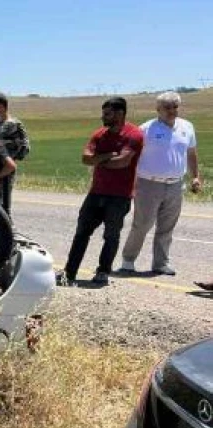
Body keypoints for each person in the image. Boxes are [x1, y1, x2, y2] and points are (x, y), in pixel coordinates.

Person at [57, 97, 143, 286]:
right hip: (96, 193)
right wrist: (105, 156)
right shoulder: (100, 134)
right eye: (103, 113)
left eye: (107, 113)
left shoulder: (134, 134)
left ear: (120, 113)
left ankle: (103, 272)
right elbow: (86, 159)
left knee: (111, 235)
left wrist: (98, 160)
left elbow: (123, 162)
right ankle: (69, 272)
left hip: (119, 195)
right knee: (81, 233)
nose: (103, 117)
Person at [119, 91, 203, 276]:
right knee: (142, 224)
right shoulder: (146, 129)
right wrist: (130, 183)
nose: (172, 111)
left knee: (167, 227)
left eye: (175, 107)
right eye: (167, 107)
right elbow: (132, 156)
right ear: (158, 109)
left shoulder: (187, 127)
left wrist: (195, 176)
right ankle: (128, 261)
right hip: (149, 184)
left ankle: (161, 263)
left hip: (175, 185)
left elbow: (191, 153)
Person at [0, 92, 31, 213]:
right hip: (0, 167)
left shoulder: (9, 124)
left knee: (3, 208)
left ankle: (8, 230)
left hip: (5, 170)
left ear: (1, 106)